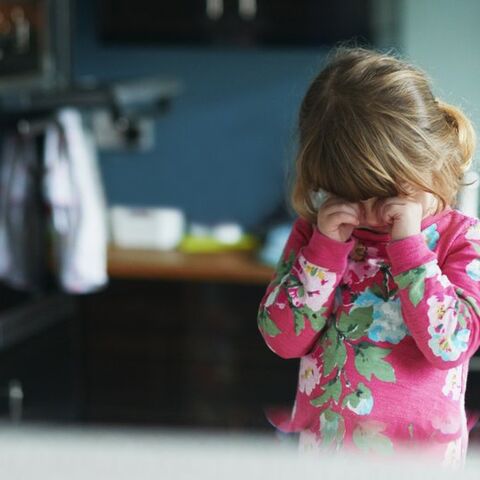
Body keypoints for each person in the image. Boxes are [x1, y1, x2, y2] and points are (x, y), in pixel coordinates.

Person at [256, 45, 480, 469]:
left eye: (391, 192)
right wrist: (323, 252)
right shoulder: (315, 234)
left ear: (428, 161)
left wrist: (411, 251)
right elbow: (281, 338)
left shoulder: (461, 240)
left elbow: (450, 346)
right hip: (326, 457)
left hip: (423, 463)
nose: (373, 213)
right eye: (350, 194)